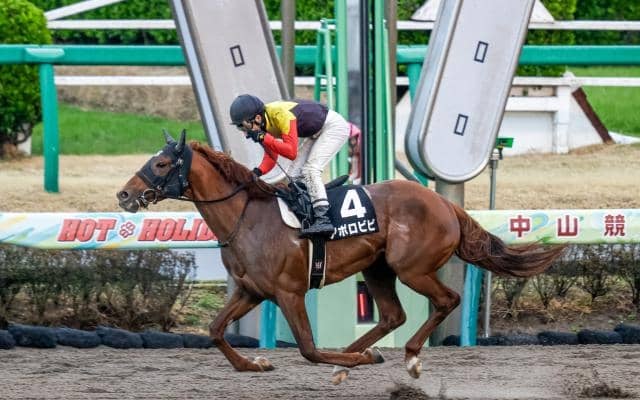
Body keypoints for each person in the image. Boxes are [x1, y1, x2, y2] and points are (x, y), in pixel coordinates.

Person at [229, 94, 350, 237]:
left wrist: (264, 137)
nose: (245, 133)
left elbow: (291, 152)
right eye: (240, 128)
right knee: (293, 175)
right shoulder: (261, 126)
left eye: (244, 127)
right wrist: (256, 172)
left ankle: (323, 219)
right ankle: (311, 209)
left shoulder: (280, 114)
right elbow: (271, 156)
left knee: (311, 170)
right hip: (317, 132)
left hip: (333, 127)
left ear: (257, 118)